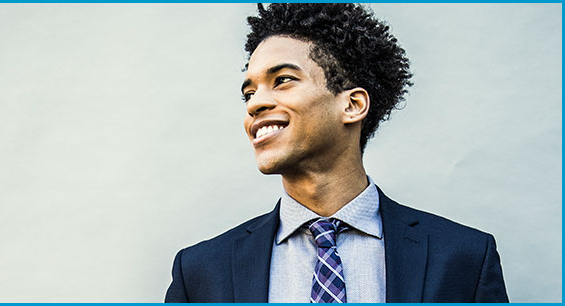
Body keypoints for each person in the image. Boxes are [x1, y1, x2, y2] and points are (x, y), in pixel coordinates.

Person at [165, 3, 508, 303]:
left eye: (282, 80)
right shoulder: (200, 271)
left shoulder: (464, 258)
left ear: (352, 105)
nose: (256, 103)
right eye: (249, 93)